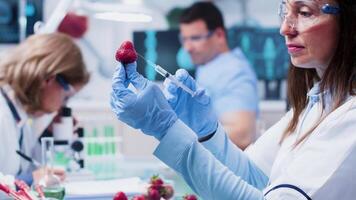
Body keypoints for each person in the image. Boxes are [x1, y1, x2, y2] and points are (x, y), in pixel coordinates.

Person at [111, 0, 356, 199]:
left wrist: (167, 130)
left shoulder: (350, 120)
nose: (285, 28)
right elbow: (254, 177)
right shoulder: (314, 104)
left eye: (304, 12)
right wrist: (206, 132)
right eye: (285, 10)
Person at [0, 33, 90, 185]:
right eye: (66, 97)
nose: (62, 106)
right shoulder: (2, 114)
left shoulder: (18, 117)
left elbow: (21, 166)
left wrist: (47, 136)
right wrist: (30, 181)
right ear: (48, 79)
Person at [178, 2, 259, 149]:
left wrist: (182, 133)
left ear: (219, 35)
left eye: (195, 38)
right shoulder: (208, 65)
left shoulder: (233, 71)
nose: (187, 47)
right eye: (184, 39)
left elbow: (243, 134)